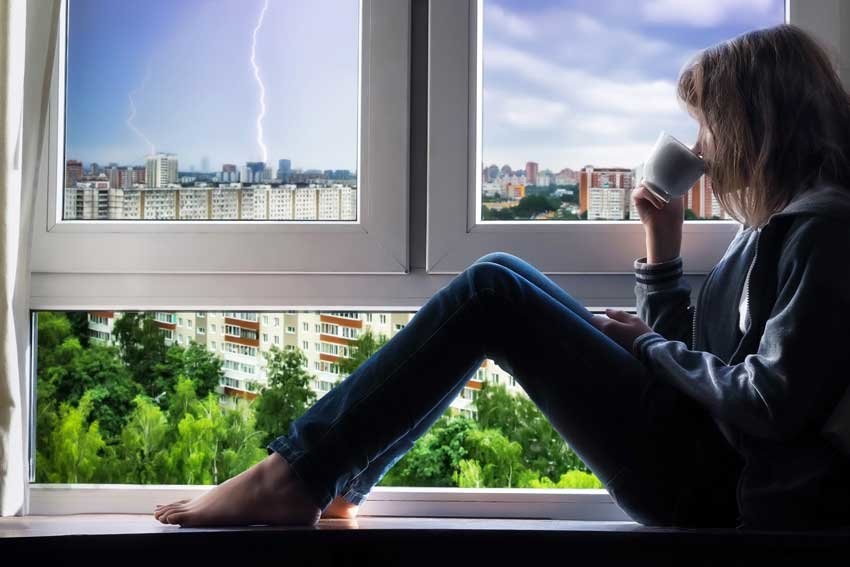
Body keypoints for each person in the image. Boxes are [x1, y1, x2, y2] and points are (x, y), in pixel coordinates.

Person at [154, 23, 850, 530]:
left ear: (759, 127)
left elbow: (770, 402)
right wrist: (661, 258)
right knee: (500, 276)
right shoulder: (771, 228)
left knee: (493, 289)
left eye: (710, 128)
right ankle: (328, 475)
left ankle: (296, 475)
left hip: (721, 488)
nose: (700, 150)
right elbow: (701, 371)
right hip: (705, 457)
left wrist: (646, 345)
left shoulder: (822, 229)